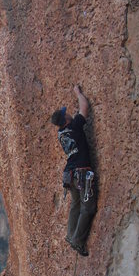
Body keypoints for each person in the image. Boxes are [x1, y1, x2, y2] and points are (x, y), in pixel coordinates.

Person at [50, 85, 97, 257]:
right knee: (88, 207)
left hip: (69, 174)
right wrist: (78, 93)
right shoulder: (75, 126)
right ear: (66, 118)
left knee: (75, 204)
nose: (69, 112)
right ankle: (77, 240)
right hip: (81, 173)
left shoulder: (61, 133)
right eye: (66, 113)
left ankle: (71, 235)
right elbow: (84, 108)